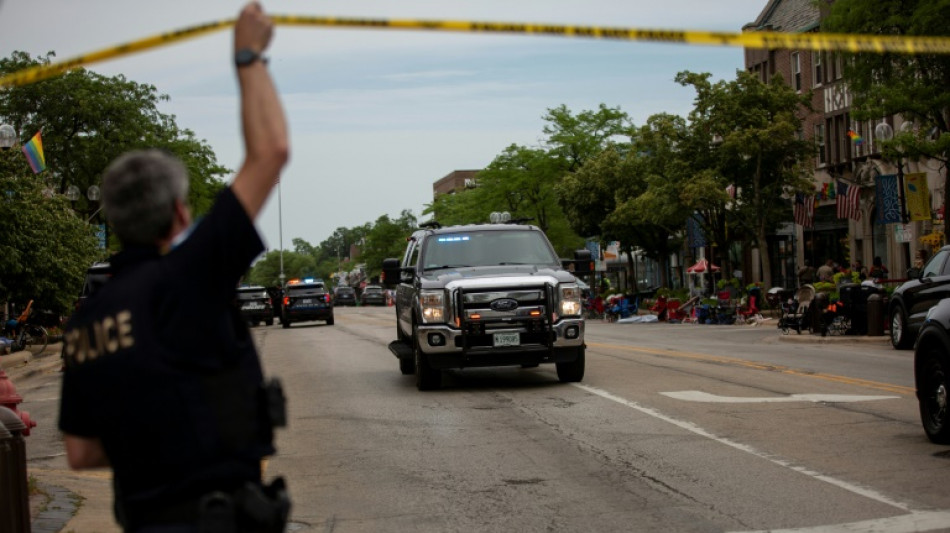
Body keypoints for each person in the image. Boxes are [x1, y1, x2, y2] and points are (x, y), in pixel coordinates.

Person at [58, 3, 290, 531]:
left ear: (114, 221)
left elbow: (80, 453)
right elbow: (270, 152)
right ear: (180, 212)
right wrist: (249, 56)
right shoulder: (193, 274)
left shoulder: (85, 323)